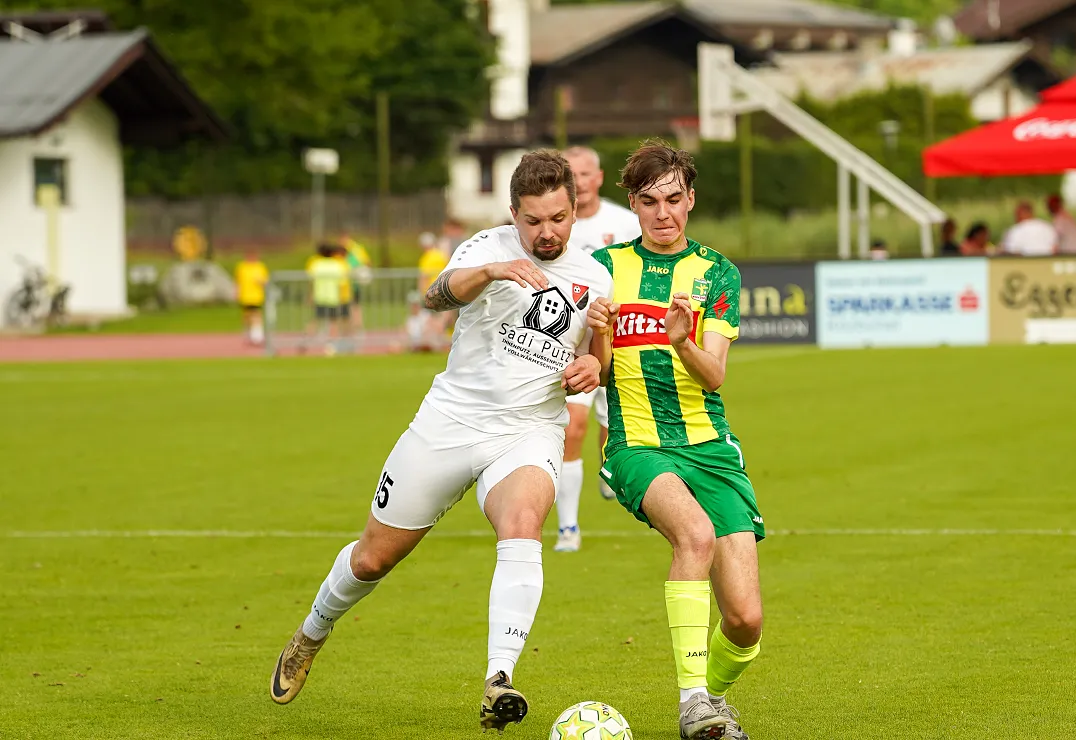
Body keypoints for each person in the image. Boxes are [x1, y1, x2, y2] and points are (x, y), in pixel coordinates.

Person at [268, 150, 612, 735]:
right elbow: (434, 297)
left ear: (573, 209)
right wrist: (494, 273)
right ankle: (312, 632)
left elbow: (593, 360)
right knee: (374, 557)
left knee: (523, 522)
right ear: (514, 214)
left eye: (558, 218)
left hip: (528, 429)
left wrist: (594, 365)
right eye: (533, 221)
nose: (547, 232)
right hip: (450, 421)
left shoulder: (595, 276)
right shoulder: (486, 248)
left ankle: (498, 680)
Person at [587, 140, 763, 740]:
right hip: (636, 446)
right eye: (648, 201)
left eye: (673, 199)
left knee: (745, 621)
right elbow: (600, 372)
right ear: (631, 204)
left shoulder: (716, 273)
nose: (663, 214)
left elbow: (714, 374)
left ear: (690, 198)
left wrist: (683, 340)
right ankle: (693, 704)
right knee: (695, 535)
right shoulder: (604, 268)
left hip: (710, 446)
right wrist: (599, 336)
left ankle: (712, 699)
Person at [554, 145, 643, 553]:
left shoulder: (624, 223)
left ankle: (608, 469)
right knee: (572, 428)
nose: (580, 180)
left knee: (611, 433)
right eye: (571, 173)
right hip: (567, 341)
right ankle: (568, 528)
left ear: (599, 177)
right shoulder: (555, 224)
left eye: (586, 173)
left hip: (615, 341)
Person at [305, 244, 351, 354]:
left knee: (316, 319)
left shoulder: (316, 264)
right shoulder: (336, 265)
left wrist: (310, 295)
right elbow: (341, 283)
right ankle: (331, 345)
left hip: (320, 295)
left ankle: (306, 341)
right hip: (332, 296)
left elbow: (311, 280)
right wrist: (341, 296)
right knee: (333, 321)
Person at [339, 233, 372, 336]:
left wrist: (362, 274)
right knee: (349, 309)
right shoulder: (350, 251)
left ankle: (356, 329)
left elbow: (367, 263)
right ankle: (349, 330)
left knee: (354, 307)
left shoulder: (355, 251)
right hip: (344, 286)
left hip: (352, 286)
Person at [234, 249, 269, 346]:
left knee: (256, 315)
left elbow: (266, 281)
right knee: (247, 317)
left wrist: (261, 281)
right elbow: (238, 281)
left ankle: (257, 336)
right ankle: (249, 334)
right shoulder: (242, 267)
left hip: (256, 296)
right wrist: (237, 292)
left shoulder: (260, 267)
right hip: (245, 296)